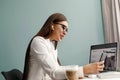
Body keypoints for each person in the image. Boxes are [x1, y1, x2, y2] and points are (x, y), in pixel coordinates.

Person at [22, 13, 104, 80]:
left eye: (66, 30)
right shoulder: (38, 42)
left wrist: (80, 71)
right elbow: (54, 72)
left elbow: (58, 69)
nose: (65, 32)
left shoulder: (52, 45)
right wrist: (84, 70)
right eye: (63, 27)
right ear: (52, 25)